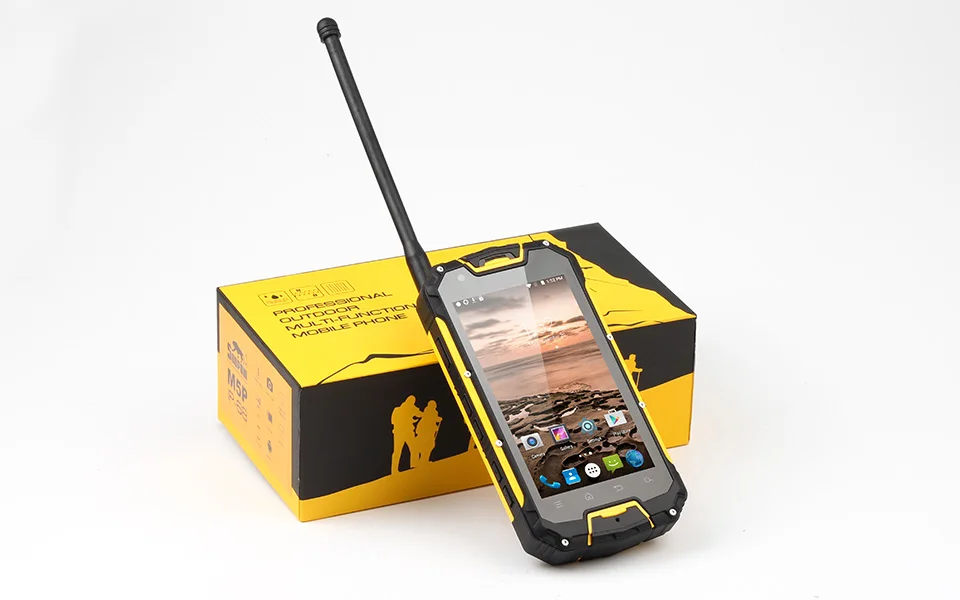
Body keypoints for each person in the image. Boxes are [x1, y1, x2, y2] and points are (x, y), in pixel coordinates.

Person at [391, 395, 422, 474]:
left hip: (402, 432)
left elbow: (419, 414)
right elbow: (419, 414)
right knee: (411, 448)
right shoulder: (404, 409)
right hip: (404, 432)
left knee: (400, 450)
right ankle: (413, 465)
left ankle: (395, 469)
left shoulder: (399, 409)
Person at [413, 400, 442, 468]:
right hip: (426, 433)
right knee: (426, 447)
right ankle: (422, 461)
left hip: (428, 433)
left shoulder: (430, 412)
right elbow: (432, 419)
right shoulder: (430, 412)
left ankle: (423, 461)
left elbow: (433, 420)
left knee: (427, 447)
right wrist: (438, 419)